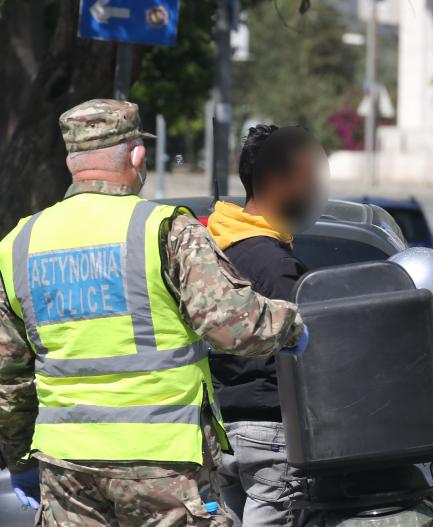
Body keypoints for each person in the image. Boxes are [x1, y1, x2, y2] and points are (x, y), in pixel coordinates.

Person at [0, 99, 309, 526]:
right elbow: (232, 326)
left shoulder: (19, 243)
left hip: (66, 464)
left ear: (72, 161)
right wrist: (295, 324)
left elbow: (9, 378)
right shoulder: (164, 229)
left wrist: (20, 459)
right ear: (136, 155)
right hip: (163, 462)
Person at [207, 124, 328, 525]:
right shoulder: (277, 265)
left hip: (220, 433)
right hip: (270, 435)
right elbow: (308, 350)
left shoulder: (210, 249)